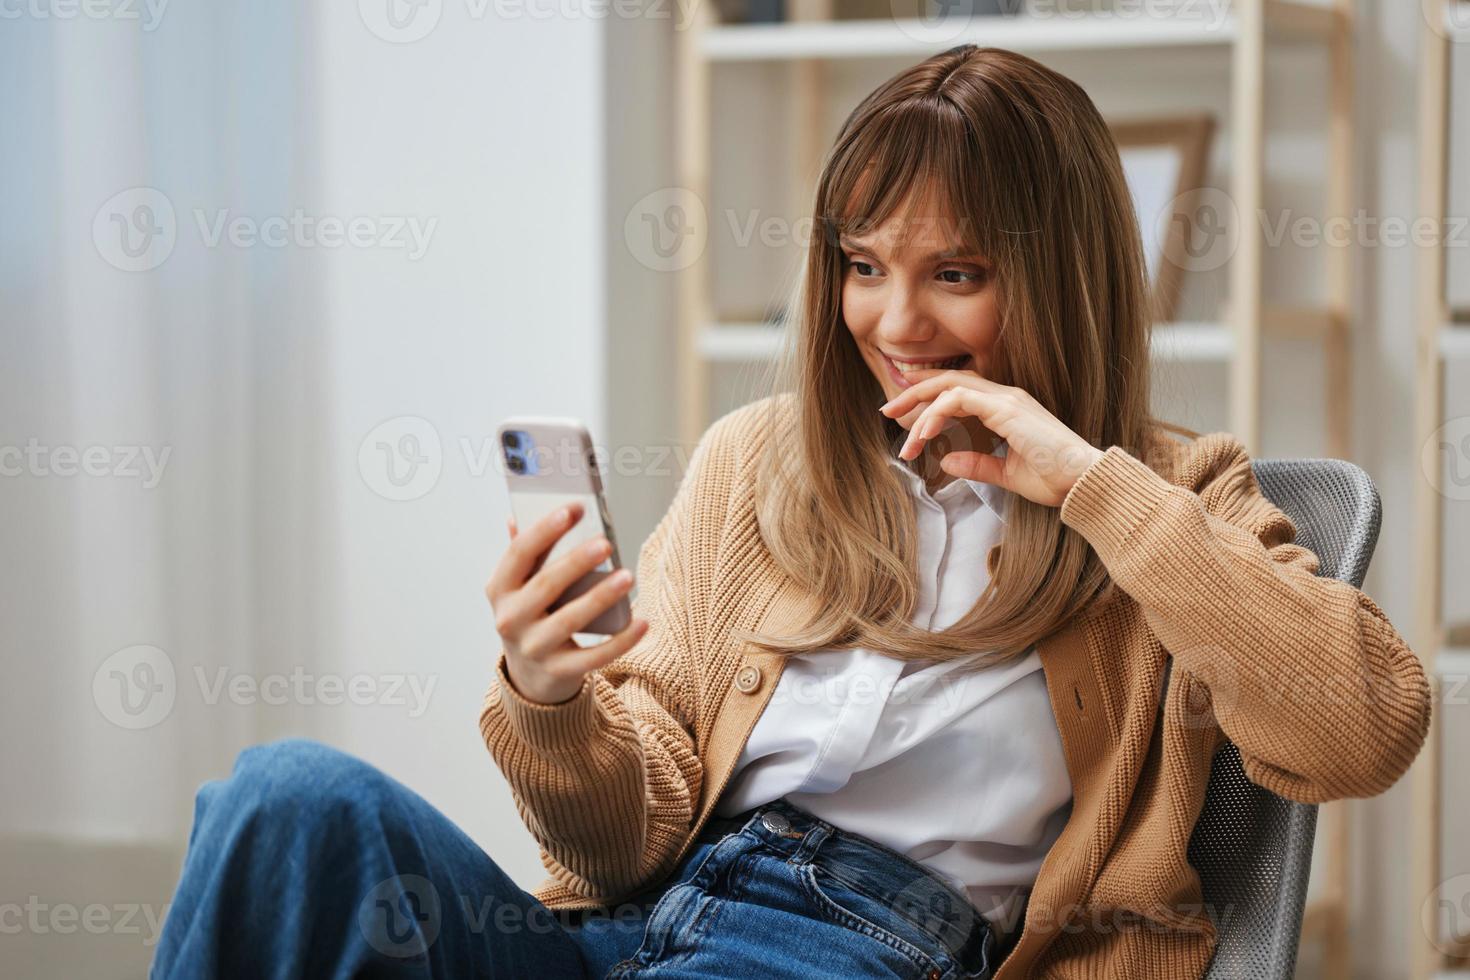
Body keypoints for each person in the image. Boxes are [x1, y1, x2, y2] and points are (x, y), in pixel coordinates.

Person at [150, 44, 1432, 979]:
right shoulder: (757, 462)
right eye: (862, 267)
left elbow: (1364, 726)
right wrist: (551, 701)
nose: (894, 321)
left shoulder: (1176, 493)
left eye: (958, 275)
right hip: (648, 929)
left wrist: (1091, 485)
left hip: (879, 950)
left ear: (1063, 277)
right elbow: (620, 842)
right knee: (283, 800)